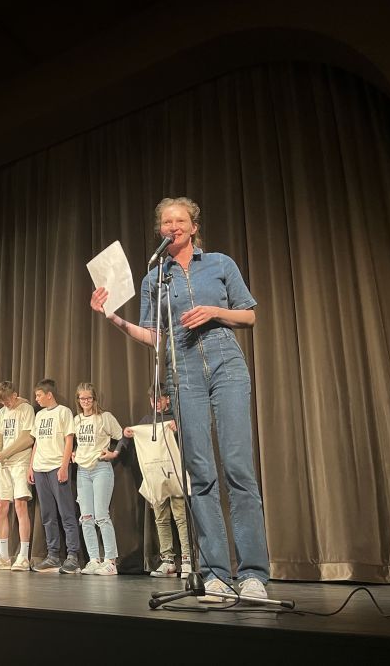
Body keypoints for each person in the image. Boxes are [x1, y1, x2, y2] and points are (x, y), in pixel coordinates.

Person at [90, 196, 270, 602]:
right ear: (160, 231)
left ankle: (253, 574)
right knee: (200, 474)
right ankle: (216, 574)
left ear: (193, 227)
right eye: (166, 222)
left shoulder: (220, 264)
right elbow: (155, 337)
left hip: (226, 364)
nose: (173, 226)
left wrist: (213, 312)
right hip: (183, 372)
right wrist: (113, 318)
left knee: (238, 469)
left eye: (180, 220)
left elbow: (249, 315)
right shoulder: (155, 278)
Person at [103, 388, 190, 578]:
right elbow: (128, 436)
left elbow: (191, 440)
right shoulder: (146, 421)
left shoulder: (176, 418)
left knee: (181, 517)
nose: (156, 403)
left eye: (159, 399)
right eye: (153, 400)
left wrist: (178, 429)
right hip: (155, 477)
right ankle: (168, 560)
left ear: (167, 399)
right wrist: (119, 446)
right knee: (161, 518)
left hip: (174, 475)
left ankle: (187, 560)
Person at [0, 381, 35, 572]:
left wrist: (5, 453)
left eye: (8, 401)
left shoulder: (26, 409)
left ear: (15, 395)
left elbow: (28, 438)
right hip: (3, 465)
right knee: (1, 507)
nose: (6, 404)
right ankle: (3, 556)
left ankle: (23, 556)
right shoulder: (2, 413)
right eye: (2, 402)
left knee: (20, 506)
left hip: (20, 462)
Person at [28, 379, 81, 574]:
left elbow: (69, 440)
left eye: (39, 395)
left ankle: (73, 556)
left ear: (49, 394)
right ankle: (53, 556)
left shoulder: (64, 412)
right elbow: (36, 442)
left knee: (66, 513)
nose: (36, 399)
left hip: (56, 467)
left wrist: (64, 466)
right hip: (40, 469)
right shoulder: (39, 415)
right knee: (48, 514)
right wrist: (31, 466)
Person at [72, 383, 122, 576]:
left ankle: (110, 561)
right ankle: (94, 559)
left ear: (94, 399)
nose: (86, 401)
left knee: (101, 515)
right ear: (78, 400)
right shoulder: (76, 420)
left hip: (100, 468)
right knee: (86, 517)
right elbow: (75, 442)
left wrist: (114, 453)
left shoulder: (104, 417)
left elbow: (122, 436)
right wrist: (74, 452)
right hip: (82, 471)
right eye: (82, 398)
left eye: (89, 398)